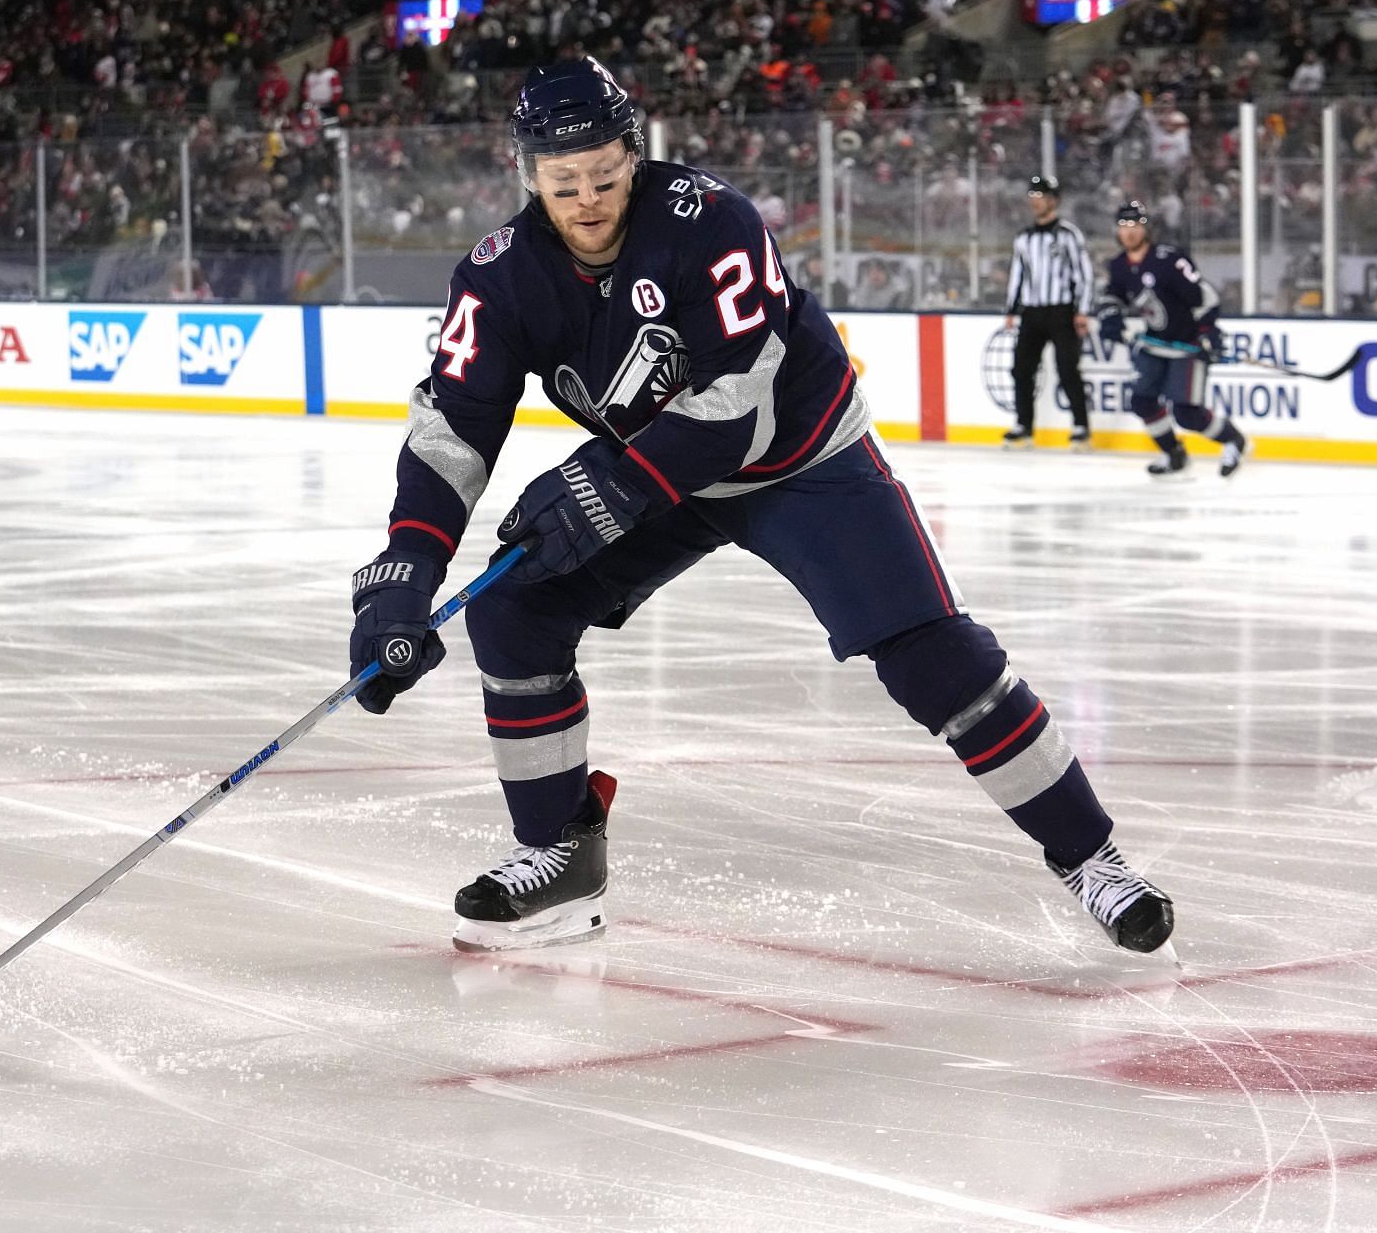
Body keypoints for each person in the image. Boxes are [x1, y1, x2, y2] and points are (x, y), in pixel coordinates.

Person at [345, 58, 1174, 957]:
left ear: (635, 154)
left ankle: (1093, 858)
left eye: (604, 175)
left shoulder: (712, 220)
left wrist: (611, 487)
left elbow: (739, 404)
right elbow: (452, 430)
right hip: (660, 468)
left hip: (800, 459)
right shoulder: (498, 277)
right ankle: (558, 856)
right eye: (562, 182)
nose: (586, 199)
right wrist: (406, 570)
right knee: (513, 612)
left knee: (927, 652)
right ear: (528, 176)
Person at [1097, 200, 1250, 477]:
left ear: (1147, 229)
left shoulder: (1169, 260)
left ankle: (1233, 440)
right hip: (1154, 345)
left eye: (1135, 225)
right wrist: (1110, 318)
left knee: (1187, 413)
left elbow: (1205, 298)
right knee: (1142, 402)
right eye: (1123, 225)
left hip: (1186, 346)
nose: (1129, 231)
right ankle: (1174, 454)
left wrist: (1207, 333)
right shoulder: (1119, 265)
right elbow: (1113, 296)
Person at [1002, 175, 1095, 450]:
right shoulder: (1024, 237)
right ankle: (1023, 425)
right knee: (1021, 369)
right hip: (1032, 311)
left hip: (1061, 311)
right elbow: (1017, 275)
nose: (1035, 201)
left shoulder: (1068, 234)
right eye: (1032, 196)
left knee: (1068, 368)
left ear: (1053, 201)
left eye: (1040, 196)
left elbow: (1084, 274)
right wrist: (1011, 309)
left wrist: (1083, 310)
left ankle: (1081, 426)